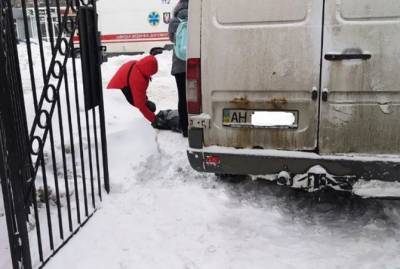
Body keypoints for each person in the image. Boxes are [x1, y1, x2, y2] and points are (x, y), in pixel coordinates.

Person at [107, 55, 164, 128]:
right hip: (116, 99)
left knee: (151, 107)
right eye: (151, 73)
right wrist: (154, 120)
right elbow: (140, 105)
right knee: (149, 108)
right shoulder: (138, 79)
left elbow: (140, 92)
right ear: (148, 70)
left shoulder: (135, 64)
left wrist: (145, 100)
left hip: (115, 92)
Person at [168, 0, 189, 137]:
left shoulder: (174, 21)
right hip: (196, 62)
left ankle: (185, 128)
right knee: (197, 96)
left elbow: (172, 39)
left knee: (182, 96)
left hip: (179, 65)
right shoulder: (198, 17)